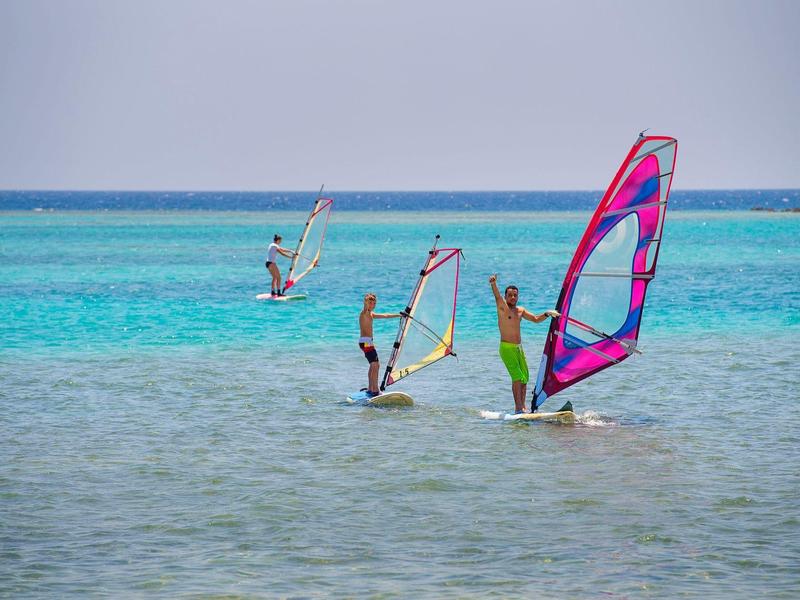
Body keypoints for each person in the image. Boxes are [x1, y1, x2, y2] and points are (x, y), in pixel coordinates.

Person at [489, 274, 559, 414]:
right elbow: (497, 297)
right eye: (510, 295)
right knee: (516, 377)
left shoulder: (520, 311)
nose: (513, 298)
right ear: (506, 296)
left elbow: (535, 319)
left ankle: (524, 407)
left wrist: (547, 313)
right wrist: (493, 284)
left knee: (525, 377)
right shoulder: (503, 308)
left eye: (515, 295)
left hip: (518, 348)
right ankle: (518, 408)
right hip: (506, 348)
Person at [358, 293, 402, 397]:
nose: (372, 305)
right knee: (376, 365)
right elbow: (365, 306)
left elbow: (385, 315)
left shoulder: (371, 314)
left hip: (366, 342)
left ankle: (370, 388)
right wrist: (366, 302)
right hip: (366, 342)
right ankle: (375, 390)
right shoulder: (364, 313)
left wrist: (399, 315)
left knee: (373, 365)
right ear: (366, 303)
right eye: (370, 303)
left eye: (374, 303)